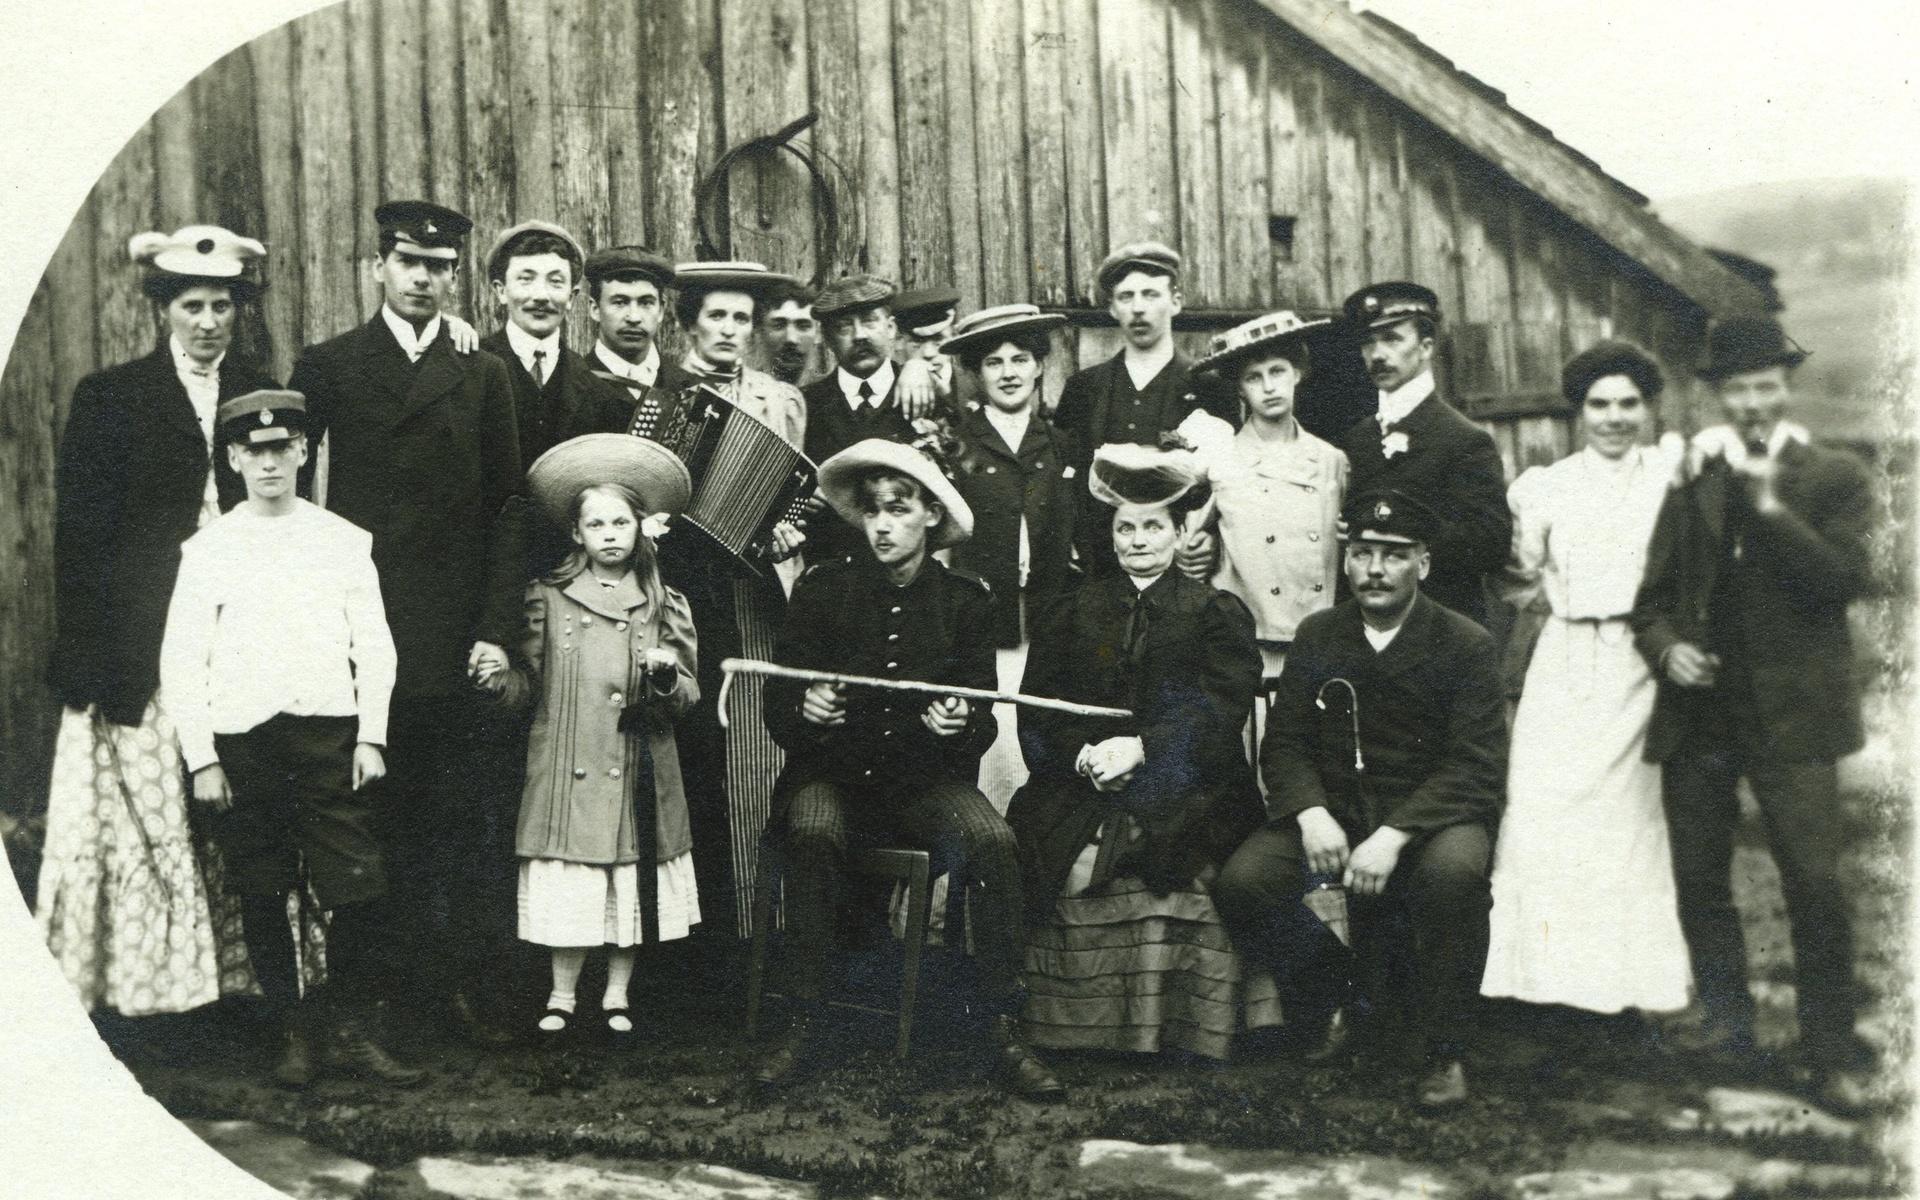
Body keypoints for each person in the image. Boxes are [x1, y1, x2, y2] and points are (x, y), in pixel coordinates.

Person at [755, 438, 1062, 1099]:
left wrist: (959, 725)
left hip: (924, 786)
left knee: (993, 841)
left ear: (930, 516)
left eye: (899, 508)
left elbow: (981, 720)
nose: (884, 524)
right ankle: (803, 1021)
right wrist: (807, 708)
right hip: (830, 778)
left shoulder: (965, 601)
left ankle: (1002, 1030)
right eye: (872, 511)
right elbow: (775, 706)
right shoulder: (822, 589)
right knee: (810, 832)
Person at [290, 199, 525, 1048]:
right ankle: (371, 1004)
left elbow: (508, 507)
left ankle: (458, 992)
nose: (423, 279)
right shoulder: (330, 366)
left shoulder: (482, 371)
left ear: (454, 277)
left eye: (439, 267)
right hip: (365, 624)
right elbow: (279, 488)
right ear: (378, 268)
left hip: (455, 627)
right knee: (368, 815)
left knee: (456, 817)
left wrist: (497, 627)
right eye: (408, 263)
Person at [1630, 316, 1877, 1109]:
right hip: (1702, 715)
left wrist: (1767, 505)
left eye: (1765, 385)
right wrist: (1668, 648)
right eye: (1736, 389)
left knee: (1813, 881)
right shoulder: (1695, 476)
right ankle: (1733, 1035)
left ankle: (1830, 1050)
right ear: (1717, 396)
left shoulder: (1836, 473)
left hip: (1796, 716)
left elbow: (1842, 581)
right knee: (1702, 882)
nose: (1752, 403)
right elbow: (1652, 600)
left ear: (1787, 387)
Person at [38, 225, 279, 1026]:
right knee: (150, 818)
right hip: (141, 642)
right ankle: (148, 1000)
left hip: (233, 640)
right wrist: (93, 660)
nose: (209, 322)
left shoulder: (256, 389)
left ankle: (231, 995)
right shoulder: (112, 399)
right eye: (192, 306)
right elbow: (82, 539)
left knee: (232, 810)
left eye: (222, 306)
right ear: (164, 310)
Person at [1213, 489, 1506, 1109]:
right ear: (1345, 561)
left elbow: (1474, 767)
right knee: (1245, 882)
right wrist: (1313, 815)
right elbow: (1286, 743)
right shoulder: (1320, 635)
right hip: (1337, 811)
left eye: (1394, 555)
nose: (1375, 569)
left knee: (1453, 878)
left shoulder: (1465, 643)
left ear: (1423, 565)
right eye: (1363, 553)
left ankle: (1443, 1049)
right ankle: (1345, 994)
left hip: (1432, 817)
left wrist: (1395, 835)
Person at [159, 388, 413, 1088]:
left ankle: (350, 1027)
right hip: (245, 742)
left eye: (281, 449)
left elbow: (375, 646)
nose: (269, 462)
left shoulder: (340, 540)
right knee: (263, 886)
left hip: (327, 735)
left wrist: (372, 736)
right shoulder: (208, 550)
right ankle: (294, 1036)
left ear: (302, 452)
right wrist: (203, 757)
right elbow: (183, 658)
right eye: (254, 451)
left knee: (356, 882)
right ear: (235, 459)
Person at [1008, 444, 1269, 1059]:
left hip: (1187, 778)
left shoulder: (1215, 613)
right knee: (1045, 842)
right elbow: (1038, 712)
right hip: (1082, 780)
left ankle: (1182, 1029)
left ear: (1181, 534)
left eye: (1154, 526)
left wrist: (1143, 748)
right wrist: (1082, 757)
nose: (1139, 540)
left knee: (1187, 844)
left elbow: (1220, 712)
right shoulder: (1073, 610)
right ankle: (1064, 1027)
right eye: (1126, 527)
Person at [1480, 341, 1691, 1022]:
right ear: (1578, 411)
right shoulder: (1547, 486)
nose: (1614, 417)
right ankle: (1542, 992)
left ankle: (1623, 994)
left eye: (1629, 403)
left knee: (1626, 825)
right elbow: (1514, 575)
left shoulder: (1668, 477)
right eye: (1600, 404)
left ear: (1648, 407)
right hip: (1564, 659)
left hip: (1639, 662)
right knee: (1545, 814)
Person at [493, 434, 701, 1038]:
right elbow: (527, 688)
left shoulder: (665, 603)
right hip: (567, 761)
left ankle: (616, 993)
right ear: (576, 534)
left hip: (638, 761)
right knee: (575, 883)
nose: (609, 533)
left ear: (641, 528)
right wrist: (497, 681)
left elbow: (688, 693)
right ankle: (561, 993)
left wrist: (664, 679)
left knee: (627, 881)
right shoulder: (548, 599)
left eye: (620, 521)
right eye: (595, 524)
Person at [653, 259, 810, 937]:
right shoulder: (668, 395)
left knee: (754, 746)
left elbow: (808, 496)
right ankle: (700, 934)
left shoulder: (783, 399)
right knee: (691, 753)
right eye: (714, 316)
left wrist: (788, 531)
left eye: (741, 318)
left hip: (756, 594)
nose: (729, 330)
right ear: (688, 324)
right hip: (682, 590)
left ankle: (757, 925)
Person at [942, 304, 1078, 808]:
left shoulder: (1062, 445)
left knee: (1037, 750)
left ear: (1040, 366)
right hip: (980, 626)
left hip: (1046, 624)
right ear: (976, 374)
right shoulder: (956, 444)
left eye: (1020, 359)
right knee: (986, 750)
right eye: (994, 363)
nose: (1009, 373)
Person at [1051, 242, 1231, 575]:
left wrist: (1212, 538)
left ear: (1175, 302)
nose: (1137, 308)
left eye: (1150, 294)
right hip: (1101, 564)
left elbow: (1229, 481)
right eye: (1126, 297)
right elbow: (1064, 482)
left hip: (1181, 566)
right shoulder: (1084, 388)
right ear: (1112, 309)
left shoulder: (1207, 386)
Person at [1337, 282, 1510, 626]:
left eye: (1392, 339)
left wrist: (1403, 530)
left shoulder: (1465, 440)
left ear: (1426, 346)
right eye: (1368, 342)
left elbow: (1492, 546)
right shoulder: (1357, 440)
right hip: (1369, 628)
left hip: (1443, 628)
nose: (1377, 354)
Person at [1189, 310, 1347, 678]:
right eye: (1253, 378)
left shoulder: (1330, 460)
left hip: (1317, 637)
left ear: (1297, 373)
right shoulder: (1221, 461)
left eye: (1277, 371)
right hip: (1247, 641)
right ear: (1239, 388)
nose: (1269, 387)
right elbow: (1190, 547)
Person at [479, 220, 635, 568]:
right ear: (500, 290)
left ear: (573, 297)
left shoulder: (602, 390)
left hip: (569, 575)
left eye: (555, 281)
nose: (540, 295)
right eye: (526, 278)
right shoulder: (469, 369)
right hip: (482, 573)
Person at [801, 275, 921, 566]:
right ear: (827, 340)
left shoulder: (922, 397)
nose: (859, 336)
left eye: (870, 321)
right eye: (843, 326)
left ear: (891, 328)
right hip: (832, 581)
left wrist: (917, 365)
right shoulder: (805, 406)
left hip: (910, 581)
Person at [583, 244, 693, 398]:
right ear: (595, 309)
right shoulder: (570, 386)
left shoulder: (689, 388)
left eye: (646, 303)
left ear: (661, 310)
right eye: (620, 302)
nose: (634, 318)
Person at [894, 285, 960, 407]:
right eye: (917, 341)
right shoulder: (887, 387)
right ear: (900, 341)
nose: (928, 353)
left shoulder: (976, 385)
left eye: (938, 340)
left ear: (954, 337)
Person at [760, 277, 821, 387]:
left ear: (818, 334)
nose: (790, 338)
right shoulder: (741, 394)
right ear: (760, 332)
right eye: (778, 325)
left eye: (803, 326)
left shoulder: (835, 395)